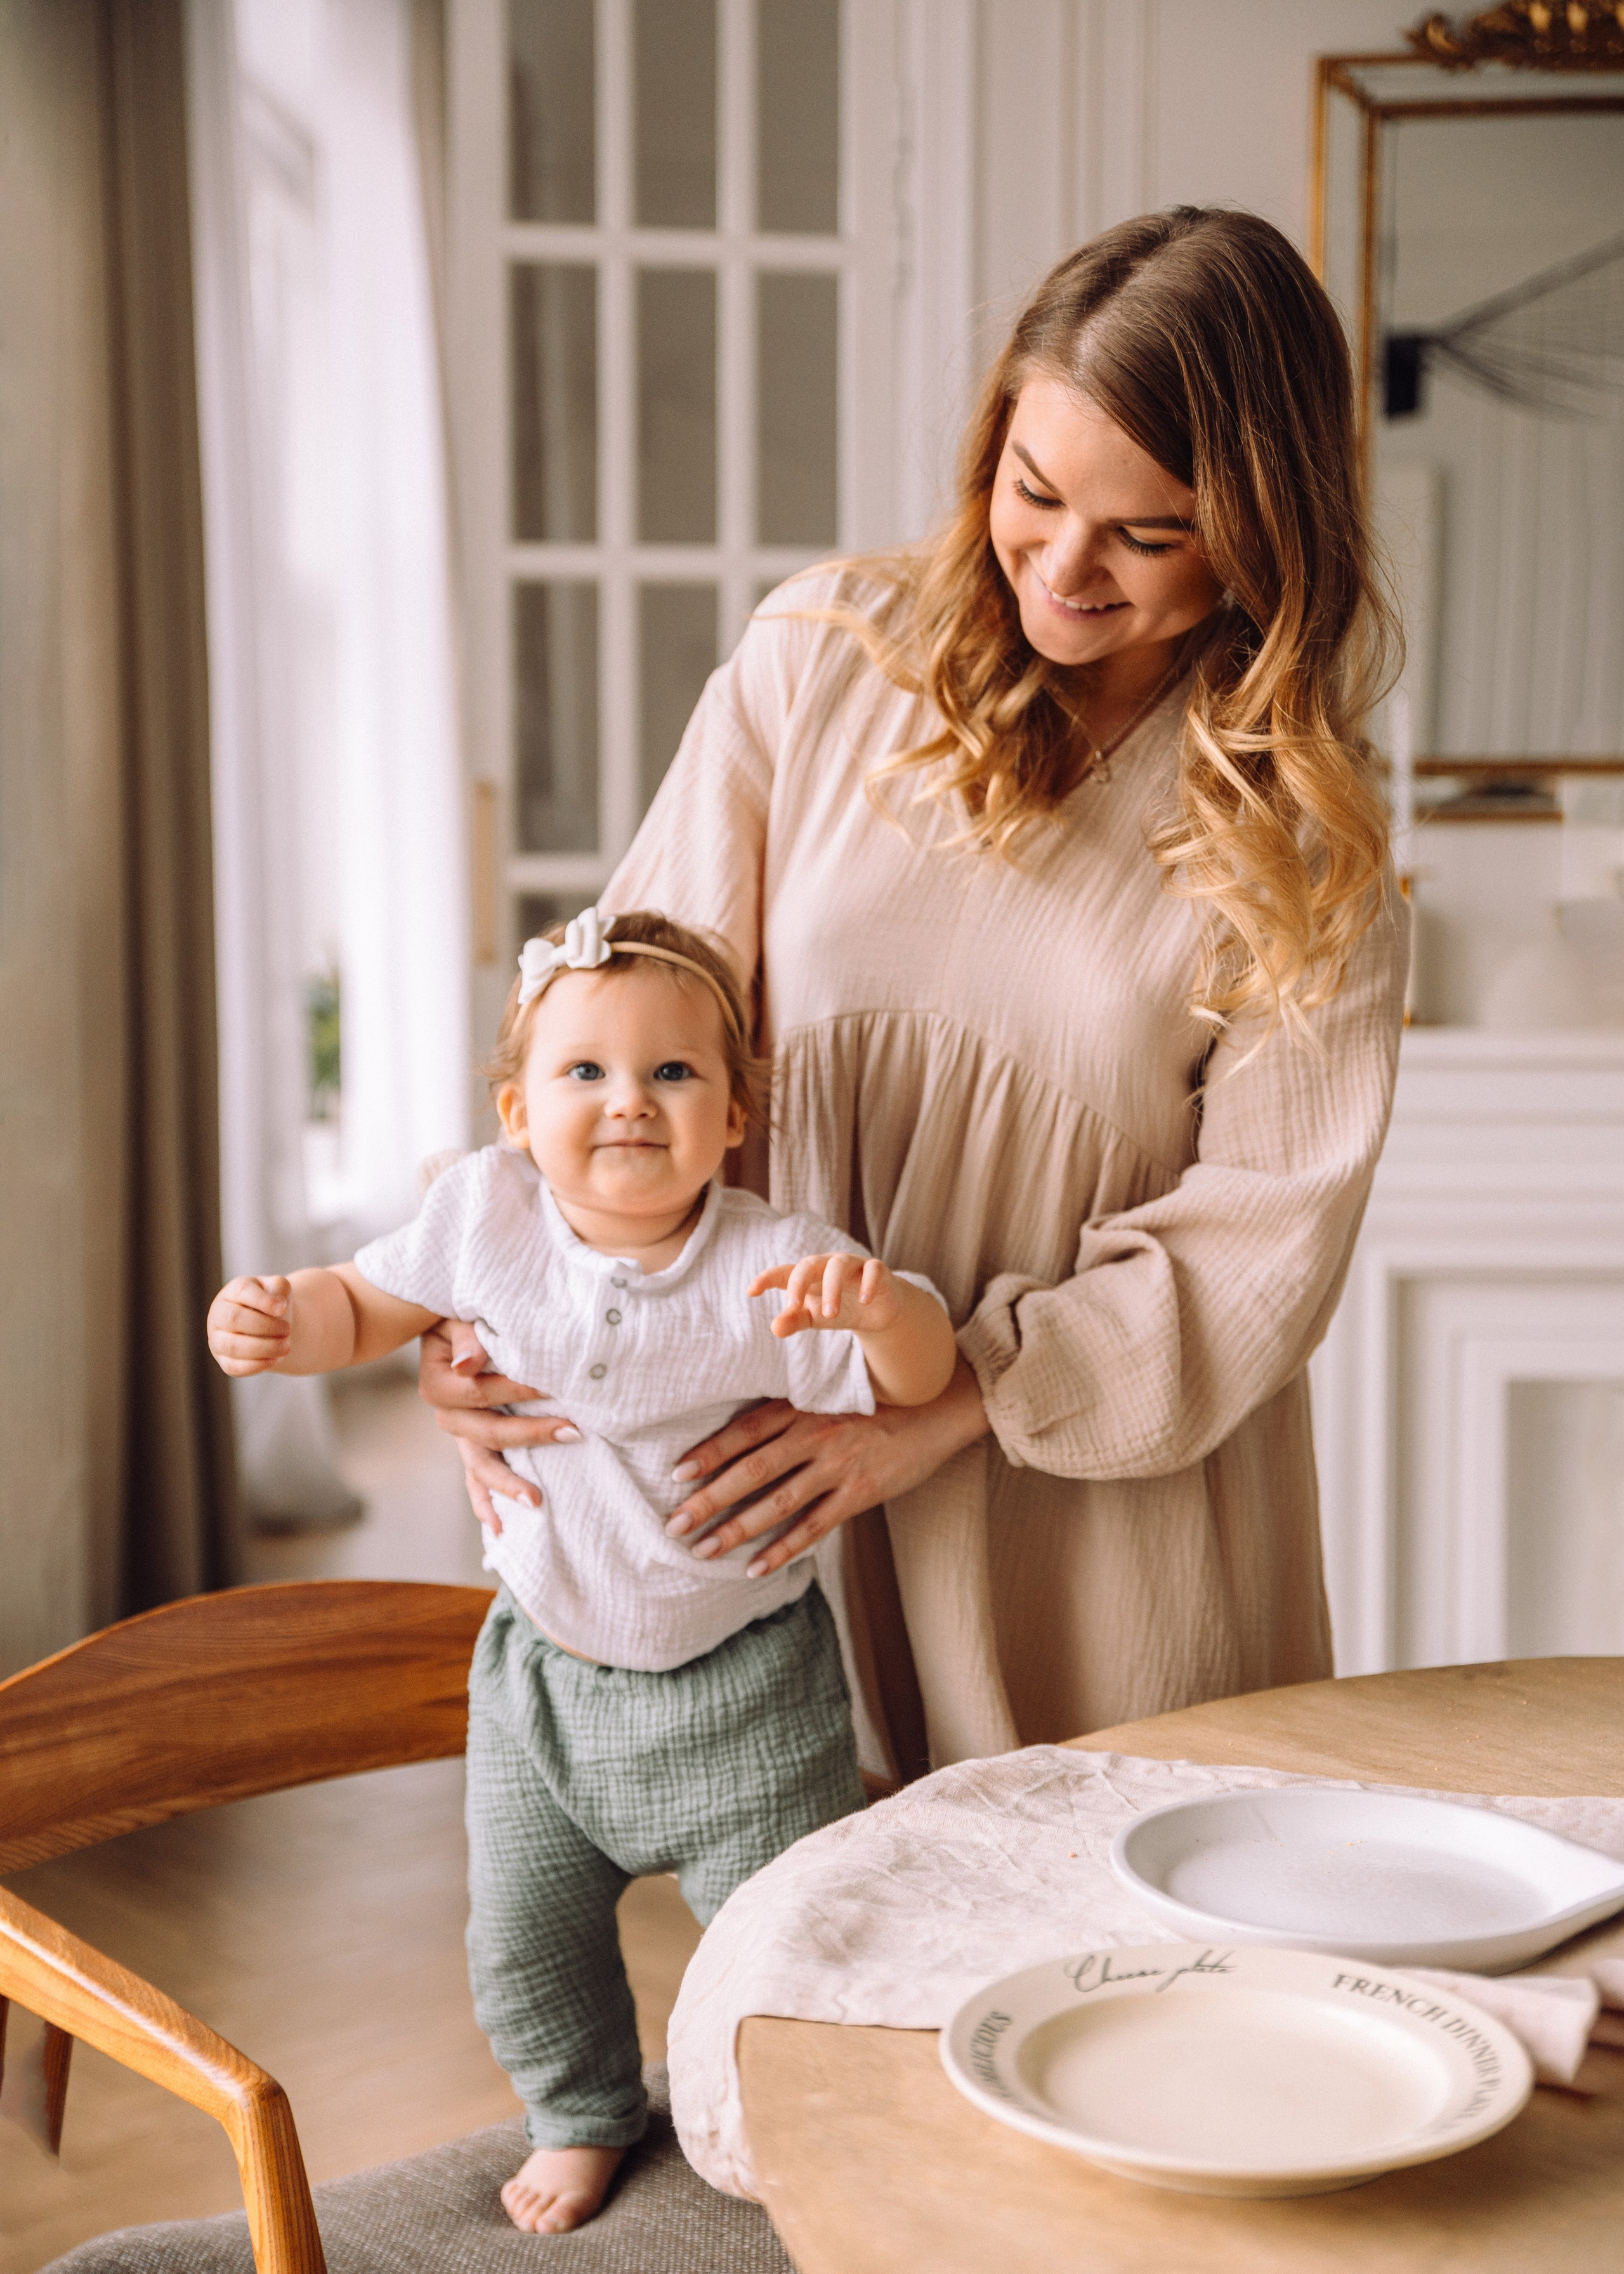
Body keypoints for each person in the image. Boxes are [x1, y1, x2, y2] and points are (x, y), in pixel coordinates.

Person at [424, 204, 1408, 1786]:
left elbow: (1254, 1260)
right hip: (768, 1488)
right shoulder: (816, 665)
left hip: (1093, 1523)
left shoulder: (1305, 845)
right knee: (806, 1978)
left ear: (1260, 535)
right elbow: (615, 1036)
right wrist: (488, 1304)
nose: (1063, 569)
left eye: (1144, 536)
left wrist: (943, 1405)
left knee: (1131, 1990)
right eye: (1033, 494)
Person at [205, 907, 955, 2233]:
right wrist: (280, 1323)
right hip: (543, 1683)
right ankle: (582, 2111)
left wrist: (884, 1309)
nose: (629, 1102)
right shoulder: (481, 1217)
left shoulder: (771, 1262)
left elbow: (915, 1378)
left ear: (733, 1114)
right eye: (585, 1073)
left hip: (747, 1693)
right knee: (523, 1943)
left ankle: (788, 2116)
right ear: (514, 1109)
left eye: (673, 1074)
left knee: (784, 1947)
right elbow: (361, 1302)